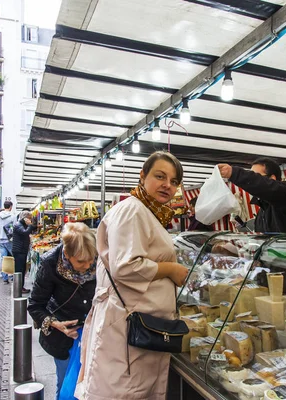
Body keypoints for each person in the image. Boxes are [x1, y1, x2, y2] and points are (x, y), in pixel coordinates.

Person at [78, 151, 189, 400]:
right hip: (126, 327)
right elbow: (126, 266)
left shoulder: (148, 212)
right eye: (160, 177)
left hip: (140, 327)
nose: (167, 185)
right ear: (143, 176)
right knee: (122, 392)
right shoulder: (132, 211)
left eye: (174, 181)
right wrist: (170, 270)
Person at [28, 223, 97, 399]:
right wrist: (55, 324)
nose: (88, 265)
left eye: (91, 259)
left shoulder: (101, 260)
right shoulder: (50, 263)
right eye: (81, 261)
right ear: (67, 254)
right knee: (66, 384)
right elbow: (35, 304)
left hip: (95, 335)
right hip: (63, 339)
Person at [217, 157, 286, 235]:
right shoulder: (263, 209)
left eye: (257, 176)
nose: (253, 179)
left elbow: (265, 186)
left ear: (272, 178)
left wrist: (234, 173)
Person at [12, 210, 36, 294]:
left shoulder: (20, 224)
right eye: (29, 218)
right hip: (19, 250)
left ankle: (20, 287)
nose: (30, 220)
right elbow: (25, 233)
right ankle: (19, 288)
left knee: (22, 269)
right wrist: (30, 226)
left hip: (21, 250)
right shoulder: (18, 225)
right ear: (25, 218)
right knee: (19, 270)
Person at [0, 200, 15, 283]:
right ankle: (13, 275)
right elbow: (14, 228)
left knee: (3, 258)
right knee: (13, 257)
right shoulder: (13, 216)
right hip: (9, 239)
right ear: (10, 206)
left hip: (0, 239)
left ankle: (4, 276)